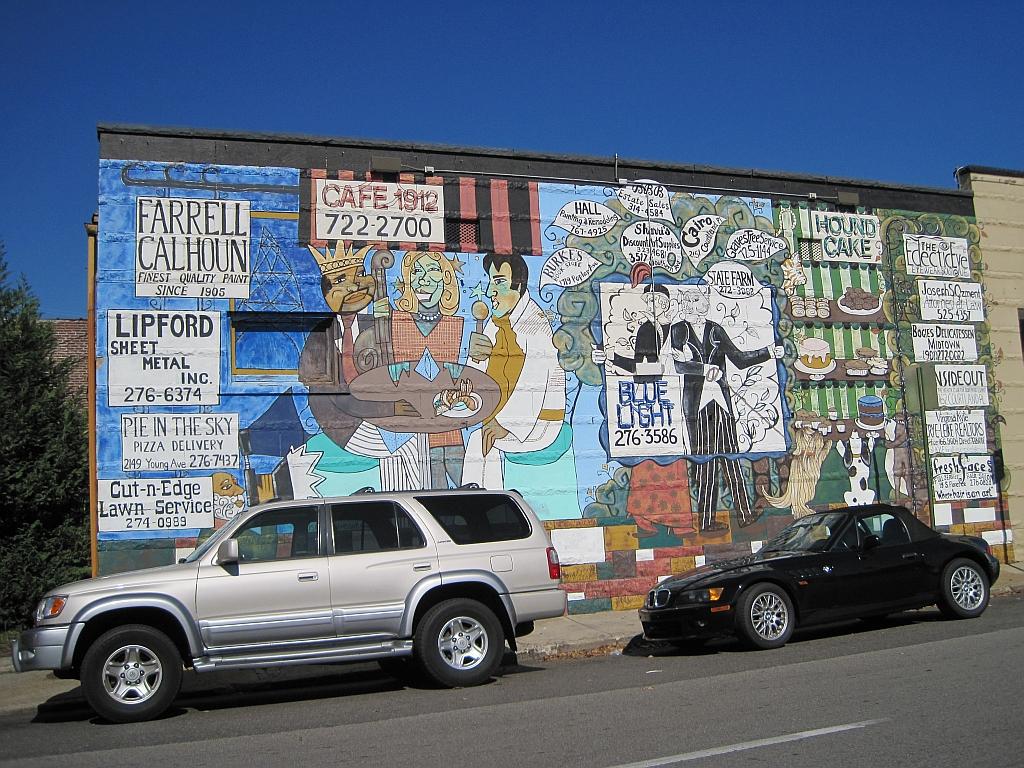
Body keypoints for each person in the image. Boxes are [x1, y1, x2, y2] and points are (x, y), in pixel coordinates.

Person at [669, 283, 784, 531]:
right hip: (697, 405)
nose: (693, 307)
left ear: (706, 305)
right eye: (688, 303)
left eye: (698, 302)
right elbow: (678, 366)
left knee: (730, 457)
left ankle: (743, 514)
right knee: (706, 462)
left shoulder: (715, 330)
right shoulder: (679, 330)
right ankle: (706, 520)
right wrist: (702, 369)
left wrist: (769, 352)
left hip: (722, 402)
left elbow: (739, 359)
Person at [463, 253, 566, 489]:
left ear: (518, 286)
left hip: (538, 422)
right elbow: (478, 375)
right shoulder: (497, 321)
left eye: (499, 282)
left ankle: (484, 503)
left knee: (479, 443)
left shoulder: (535, 325)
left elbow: (535, 384)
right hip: (500, 412)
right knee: (479, 439)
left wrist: (506, 424)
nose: (490, 292)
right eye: (491, 282)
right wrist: (476, 358)